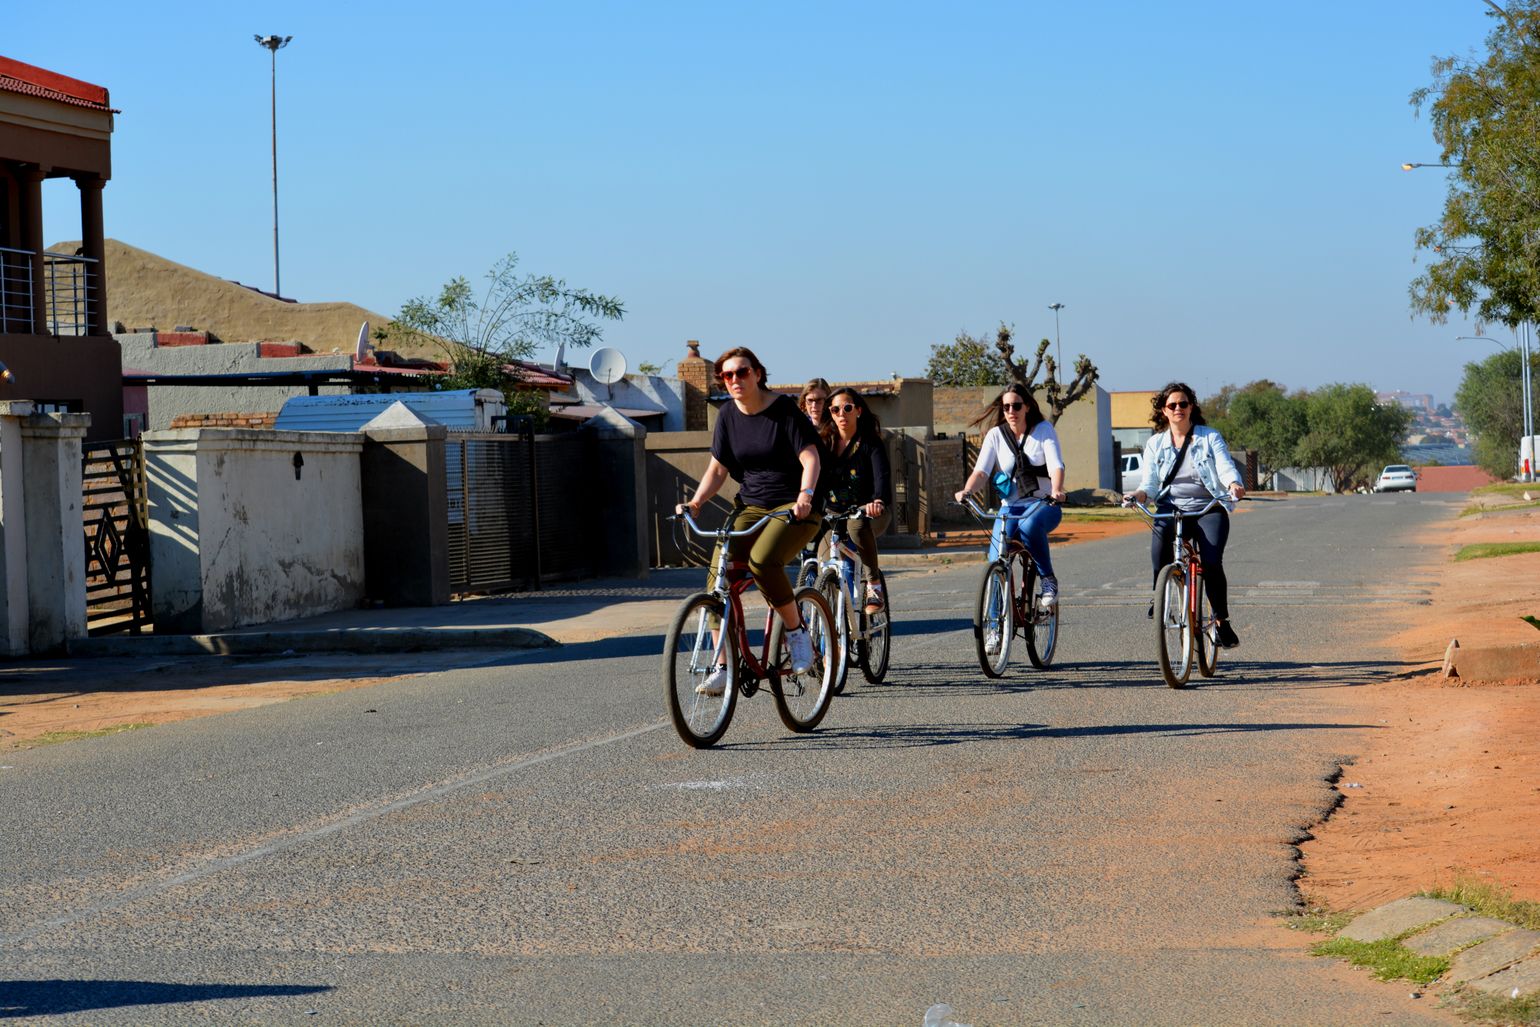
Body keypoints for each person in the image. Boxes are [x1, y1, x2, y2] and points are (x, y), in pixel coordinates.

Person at [677, 348, 823, 694]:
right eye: (727, 376)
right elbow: (718, 468)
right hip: (751, 506)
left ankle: (797, 634)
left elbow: (810, 455)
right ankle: (723, 666)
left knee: (762, 561)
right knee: (718, 578)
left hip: (795, 505)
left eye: (741, 372)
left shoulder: (784, 410)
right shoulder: (727, 415)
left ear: (757, 373)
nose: (735, 380)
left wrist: (806, 495)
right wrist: (696, 501)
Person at [1128, 381, 1246, 648]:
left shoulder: (1209, 437)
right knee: (1159, 551)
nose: (1178, 408)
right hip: (1171, 509)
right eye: (1172, 405)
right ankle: (1159, 596)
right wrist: (1138, 496)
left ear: (1191, 407)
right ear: (1164, 411)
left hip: (1208, 507)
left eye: (1183, 403)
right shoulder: (1155, 444)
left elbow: (1225, 466)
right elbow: (1149, 484)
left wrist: (1233, 485)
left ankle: (1221, 621)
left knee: (1212, 562)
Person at [953, 384, 1067, 616]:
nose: (1011, 411)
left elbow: (1056, 464)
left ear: (1027, 406)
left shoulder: (1043, 430)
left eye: (1016, 406)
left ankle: (1047, 579)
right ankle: (994, 627)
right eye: (1006, 407)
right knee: (995, 560)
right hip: (1010, 508)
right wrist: (966, 491)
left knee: (1030, 524)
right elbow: (981, 472)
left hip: (1044, 504)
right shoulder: (996, 435)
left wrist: (1056, 489)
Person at [822, 387, 891, 614]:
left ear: (858, 411)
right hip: (833, 513)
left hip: (870, 513)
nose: (842, 414)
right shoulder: (825, 444)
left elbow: (882, 477)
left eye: (847, 408)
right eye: (835, 409)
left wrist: (877, 501)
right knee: (818, 556)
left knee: (856, 524)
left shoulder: (871, 443)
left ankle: (873, 585)